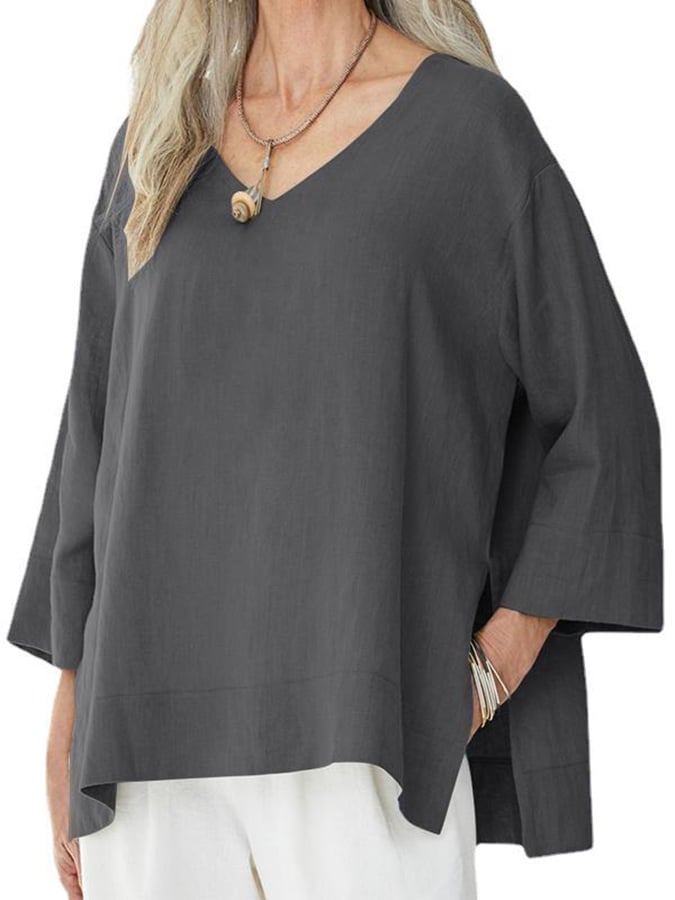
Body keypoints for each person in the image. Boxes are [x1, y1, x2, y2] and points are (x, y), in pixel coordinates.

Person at [6, 2, 663, 898]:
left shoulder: (469, 131)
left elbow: (602, 422)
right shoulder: (155, 141)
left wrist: (484, 674)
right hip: (143, 743)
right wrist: (70, 699)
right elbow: (96, 432)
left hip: (366, 745)